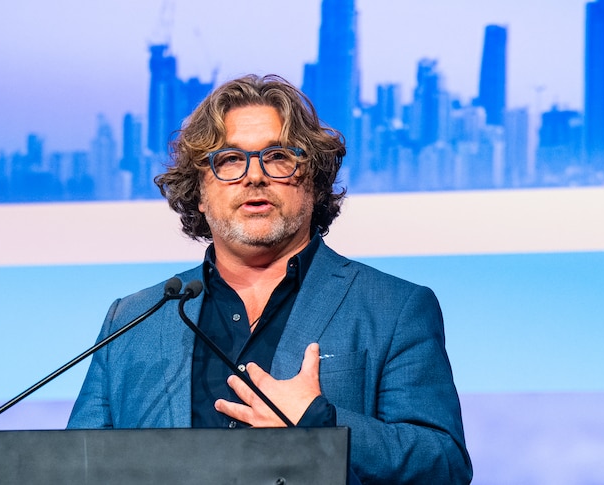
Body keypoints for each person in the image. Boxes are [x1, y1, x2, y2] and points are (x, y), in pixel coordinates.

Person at [67, 74, 473, 483]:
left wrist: (319, 422)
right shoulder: (134, 319)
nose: (254, 176)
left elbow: (444, 465)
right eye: (228, 160)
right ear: (200, 193)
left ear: (312, 183)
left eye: (279, 157)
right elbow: (75, 467)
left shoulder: (395, 308)